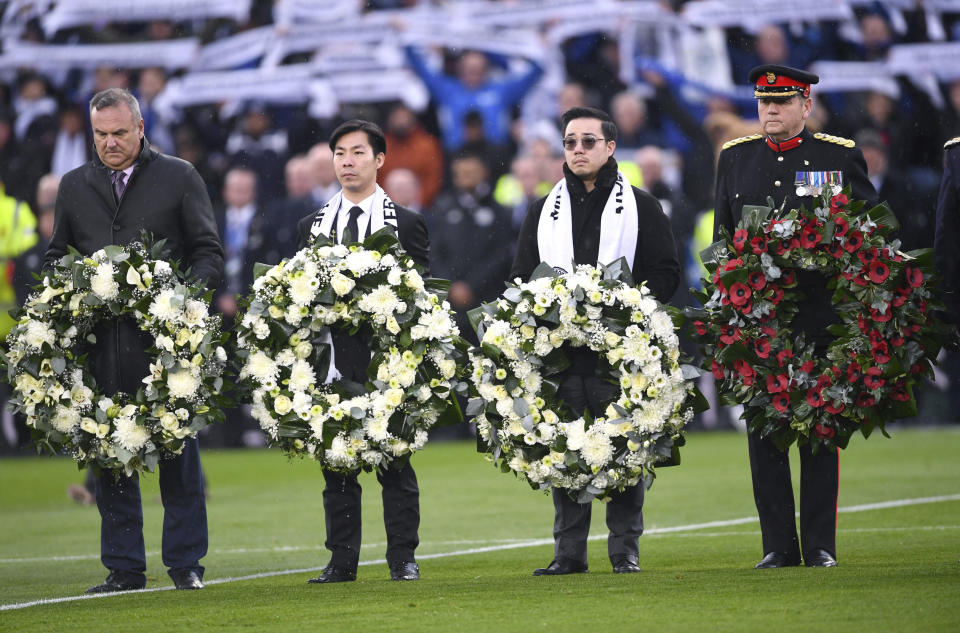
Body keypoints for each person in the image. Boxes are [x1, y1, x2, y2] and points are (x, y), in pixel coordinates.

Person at [45, 88, 223, 592]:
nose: (110, 143)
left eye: (120, 133)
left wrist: (185, 303)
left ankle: (186, 564)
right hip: (101, 347)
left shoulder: (179, 176)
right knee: (109, 456)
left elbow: (208, 251)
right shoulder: (74, 185)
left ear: (140, 128)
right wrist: (71, 295)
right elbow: (57, 256)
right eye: (100, 135)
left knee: (177, 458)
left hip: (166, 348)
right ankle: (123, 568)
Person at [713, 65, 878, 570]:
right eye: (764, 102)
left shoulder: (837, 155)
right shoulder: (735, 159)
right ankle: (778, 546)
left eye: (782, 102)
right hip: (758, 324)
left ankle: (821, 545)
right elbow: (723, 237)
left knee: (820, 431)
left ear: (806, 107)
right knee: (764, 433)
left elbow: (867, 234)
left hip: (818, 314)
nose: (770, 110)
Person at [511, 106, 680, 576]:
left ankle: (624, 551)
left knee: (625, 449)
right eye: (570, 142)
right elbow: (520, 279)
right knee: (562, 450)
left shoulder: (642, 205)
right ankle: (569, 554)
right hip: (560, 357)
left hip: (621, 355)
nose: (578, 150)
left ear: (610, 147)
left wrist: (622, 307)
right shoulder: (543, 208)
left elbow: (667, 273)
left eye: (588, 141)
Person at [295, 120, 430, 584]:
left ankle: (402, 558)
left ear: (379, 160)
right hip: (329, 361)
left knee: (395, 463)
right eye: (339, 153)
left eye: (357, 153)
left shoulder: (407, 225)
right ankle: (341, 561)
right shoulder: (309, 226)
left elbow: (420, 299)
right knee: (337, 466)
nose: (347, 162)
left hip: (386, 365)